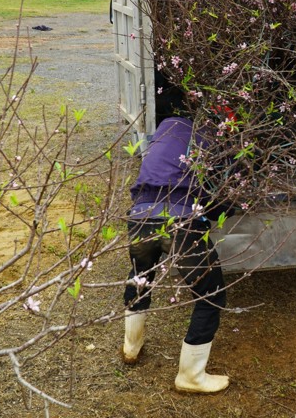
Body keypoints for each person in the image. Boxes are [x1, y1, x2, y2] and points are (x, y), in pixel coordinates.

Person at [122, 115, 231, 394]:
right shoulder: (214, 140)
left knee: (141, 276)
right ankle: (191, 376)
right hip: (181, 221)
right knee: (210, 294)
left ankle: (131, 347)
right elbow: (223, 198)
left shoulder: (166, 129)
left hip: (141, 216)